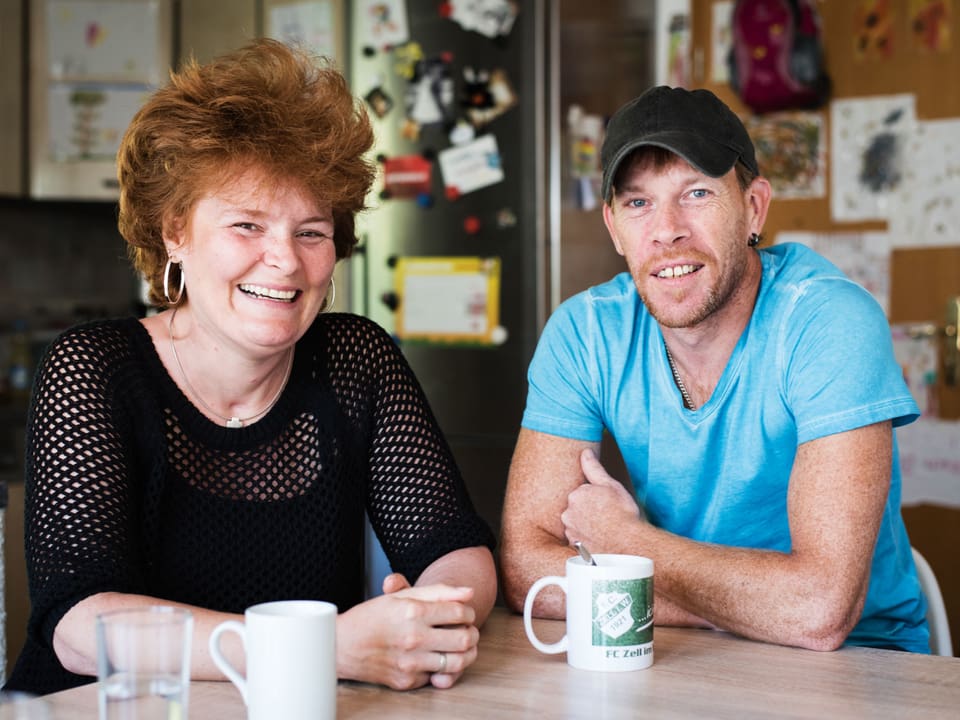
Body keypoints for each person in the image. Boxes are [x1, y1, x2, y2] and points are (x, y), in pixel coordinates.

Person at [6, 38, 497, 696]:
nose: (285, 261)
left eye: (311, 231)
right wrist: (321, 650)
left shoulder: (356, 359)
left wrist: (427, 619)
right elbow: (78, 625)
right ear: (175, 230)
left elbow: (455, 549)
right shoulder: (94, 368)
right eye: (247, 225)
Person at [500, 85, 929, 654]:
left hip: (860, 664)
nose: (666, 230)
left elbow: (820, 612)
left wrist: (627, 545)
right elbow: (526, 569)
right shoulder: (585, 333)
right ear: (613, 227)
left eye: (696, 193)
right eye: (637, 203)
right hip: (681, 654)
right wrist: (743, 609)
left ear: (753, 208)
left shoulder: (828, 321)